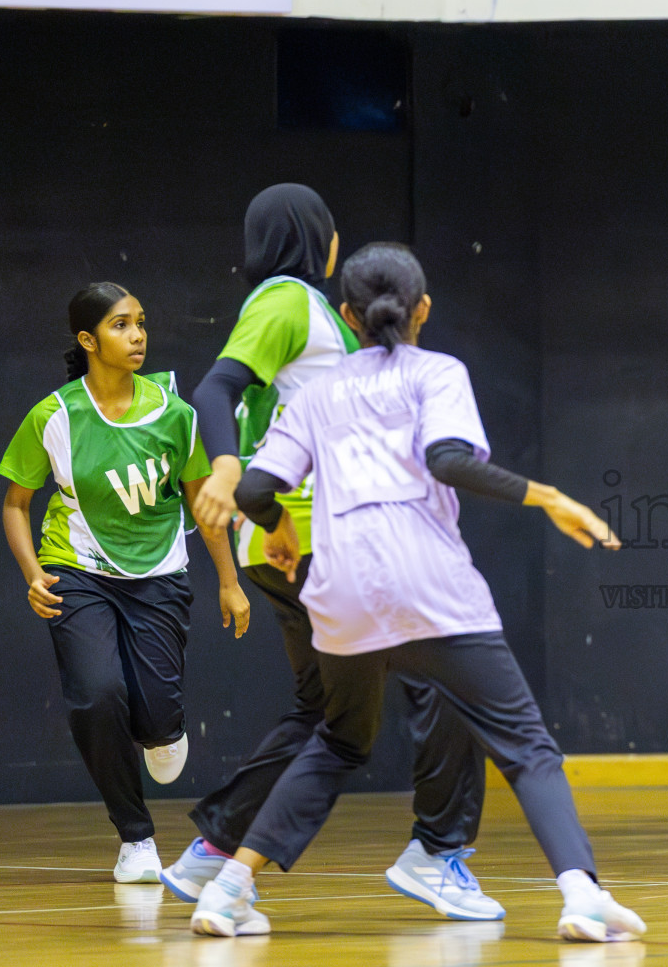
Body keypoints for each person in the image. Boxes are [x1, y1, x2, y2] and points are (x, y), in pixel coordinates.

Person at [188, 242, 646, 944]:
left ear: (348, 315)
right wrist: (547, 496)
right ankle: (581, 897)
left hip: (337, 593)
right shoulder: (438, 372)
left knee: (339, 740)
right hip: (429, 585)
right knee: (526, 747)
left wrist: (276, 524)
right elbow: (447, 459)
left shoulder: (317, 391)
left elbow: (253, 487)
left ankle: (227, 890)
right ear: (424, 308)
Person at [160, 185, 496, 921]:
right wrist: (224, 466)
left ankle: (215, 852)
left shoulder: (325, 323)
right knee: (455, 679)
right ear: (317, 239)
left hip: (281, 546)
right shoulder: (287, 301)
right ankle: (438, 852)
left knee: (329, 713)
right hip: (314, 539)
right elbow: (216, 389)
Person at [0, 283, 250, 883]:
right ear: (88, 341)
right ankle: (135, 838)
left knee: (157, 720)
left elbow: (200, 503)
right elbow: (15, 504)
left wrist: (229, 581)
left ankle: (162, 730)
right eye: (120, 325)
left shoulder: (175, 416)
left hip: (158, 576)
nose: (136, 335)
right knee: (96, 692)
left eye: (140, 323)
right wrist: (34, 573)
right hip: (75, 570)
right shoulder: (54, 416)